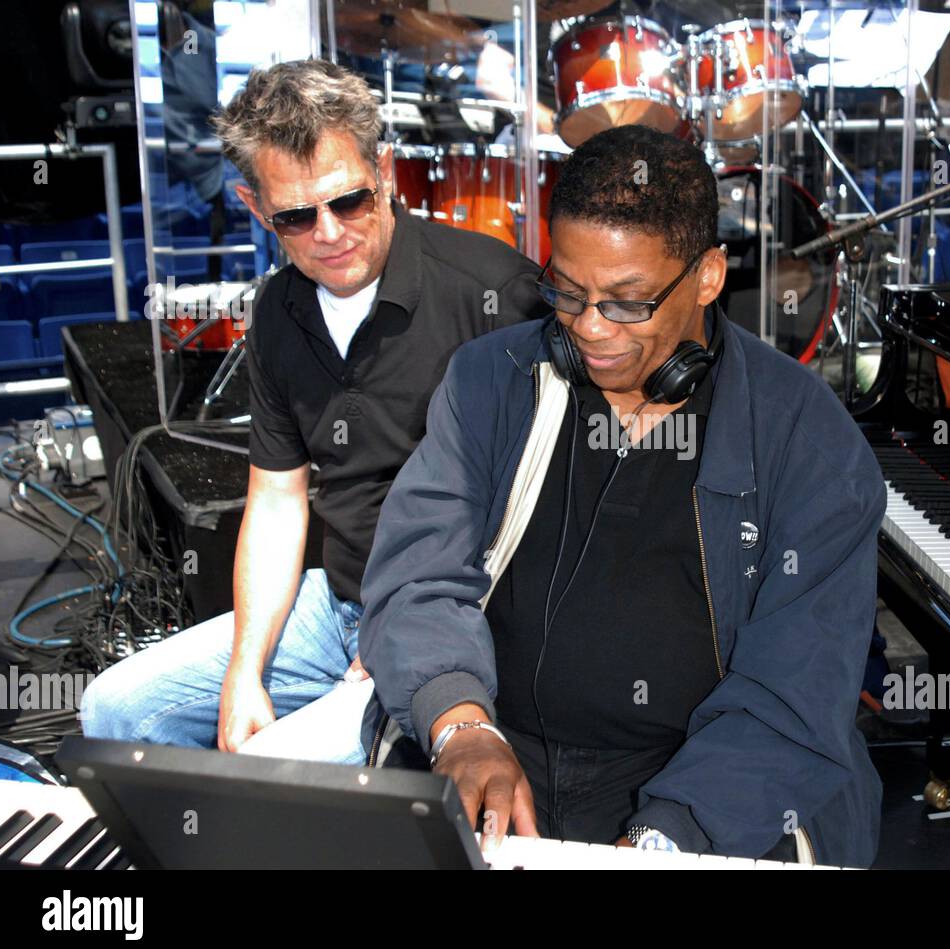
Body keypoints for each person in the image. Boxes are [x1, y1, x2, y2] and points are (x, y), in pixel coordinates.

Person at [358, 124, 885, 866]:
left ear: (707, 276)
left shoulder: (808, 437)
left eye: (628, 302)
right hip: (497, 746)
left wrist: (665, 839)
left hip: (715, 786)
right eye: (567, 292)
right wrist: (461, 726)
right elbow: (417, 577)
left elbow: (795, 691)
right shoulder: (489, 379)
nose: (590, 328)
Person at [79, 60, 543, 762]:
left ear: (384, 171)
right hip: (337, 605)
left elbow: (547, 505)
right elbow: (275, 499)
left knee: (271, 776)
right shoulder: (276, 311)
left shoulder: (494, 291)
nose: (328, 233)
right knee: (113, 709)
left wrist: (413, 638)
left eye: (349, 201)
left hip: (455, 614)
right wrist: (244, 671)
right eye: (296, 216)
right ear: (254, 206)